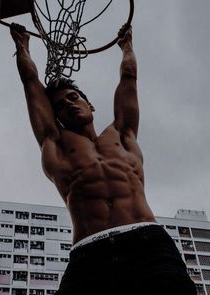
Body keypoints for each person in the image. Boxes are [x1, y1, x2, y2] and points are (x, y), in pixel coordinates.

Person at [10, 23, 197, 294]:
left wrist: (127, 46)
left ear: (90, 105)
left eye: (73, 97)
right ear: (56, 117)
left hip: (148, 246)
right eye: (60, 106)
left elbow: (129, 77)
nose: (69, 104)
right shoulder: (56, 145)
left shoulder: (122, 134)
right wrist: (22, 48)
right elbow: (30, 84)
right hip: (90, 254)